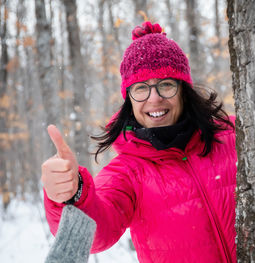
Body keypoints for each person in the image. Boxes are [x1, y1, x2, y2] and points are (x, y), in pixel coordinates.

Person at [41, 21, 237, 263]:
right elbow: (97, 231)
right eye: (141, 88)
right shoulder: (127, 172)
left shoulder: (235, 134)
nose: (154, 98)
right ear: (129, 100)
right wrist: (72, 194)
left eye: (166, 84)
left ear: (184, 90)